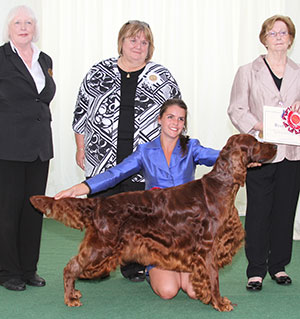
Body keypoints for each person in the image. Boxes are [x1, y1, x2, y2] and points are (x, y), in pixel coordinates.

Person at [55, 98, 220, 300]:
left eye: (180, 119)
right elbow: (115, 174)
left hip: (186, 230)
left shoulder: (192, 148)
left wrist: (247, 156)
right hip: (156, 230)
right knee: (168, 291)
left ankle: (182, 268)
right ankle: (154, 271)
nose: (175, 123)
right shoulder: (145, 151)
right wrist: (81, 188)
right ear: (159, 119)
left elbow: (222, 157)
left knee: (195, 292)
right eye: (170, 117)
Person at [72, 20, 181, 281]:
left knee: (138, 217)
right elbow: (80, 112)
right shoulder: (98, 72)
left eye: (144, 42)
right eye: (133, 40)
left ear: (150, 48)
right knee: (102, 214)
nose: (138, 45)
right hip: (102, 158)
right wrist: (80, 147)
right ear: (121, 42)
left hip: (144, 161)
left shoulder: (162, 77)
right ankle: (96, 264)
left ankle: (133, 265)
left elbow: (176, 117)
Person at [228, 15, 300, 292]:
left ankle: (279, 266)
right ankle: (255, 270)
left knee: (285, 211)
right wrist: (262, 125)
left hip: (293, 154)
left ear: (291, 39)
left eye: (284, 33)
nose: (279, 37)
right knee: (258, 212)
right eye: (273, 33)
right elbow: (236, 109)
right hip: (260, 153)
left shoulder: (297, 72)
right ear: (263, 38)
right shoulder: (248, 71)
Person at [0, 5, 56, 291]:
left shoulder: (44, 59)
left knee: (34, 209)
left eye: (29, 23)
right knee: (8, 210)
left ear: (35, 28)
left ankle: (28, 269)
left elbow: (41, 99)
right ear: (9, 27)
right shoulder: (0, 58)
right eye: (18, 22)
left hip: (39, 148)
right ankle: (8, 271)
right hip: (7, 147)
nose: (24, 27)